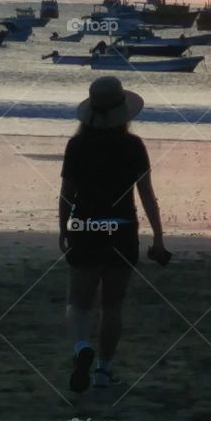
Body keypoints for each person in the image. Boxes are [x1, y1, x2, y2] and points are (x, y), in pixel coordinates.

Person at [59, 76, 170, 393]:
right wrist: (158, 238)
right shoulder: (133, 146)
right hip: (122, 229)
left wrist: (63, 229)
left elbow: (67, 194)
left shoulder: (77, 145)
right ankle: (103, 372)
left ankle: (82, 347)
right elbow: (147, 194)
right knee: (112, 306)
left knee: (78, 302)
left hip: (85, 227)